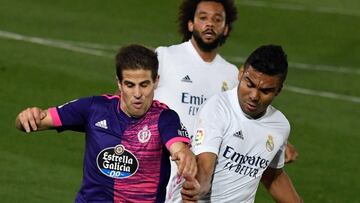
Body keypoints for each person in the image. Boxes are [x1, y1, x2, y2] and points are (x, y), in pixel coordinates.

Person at [153, 0, 297, 201]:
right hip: (164, 164)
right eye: (203, 17)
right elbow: (130, 96)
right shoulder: (165, 57)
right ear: (190, 23)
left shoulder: (230, 74)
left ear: (226, 28)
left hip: (196, 168)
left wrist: (275, 140)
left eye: (217, 19)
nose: (209, 24)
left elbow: (248, 126)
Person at [15, 44, 197, 203]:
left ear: (156, 82)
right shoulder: (94, 108)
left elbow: (177, 146)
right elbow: (30, 123)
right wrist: (27, 116)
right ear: (119, 83)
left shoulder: (164, 118)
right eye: (130, 85)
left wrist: (184, 154)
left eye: (144, 84)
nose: (137, 94)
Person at [182, 44, 303, 202]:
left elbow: (271, 176)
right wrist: (199, 186)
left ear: (278, 90)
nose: (254, 95)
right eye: (249, 84)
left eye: (265, 91)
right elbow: (205, 163)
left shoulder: (280, 125)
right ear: (240, 74)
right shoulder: (217, 109)